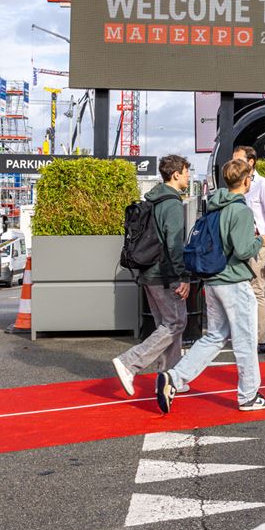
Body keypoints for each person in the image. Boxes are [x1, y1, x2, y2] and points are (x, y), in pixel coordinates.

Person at [157, 159, 265, 413]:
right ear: (246, 181)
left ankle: (174, 377)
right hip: (234, 281)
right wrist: (260, 241)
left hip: (212, 280)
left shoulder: (214, 207)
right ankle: (248, 396)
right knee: (245, 340)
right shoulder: (241, 211)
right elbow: (243, 250)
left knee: (214, 336)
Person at [112, 154, 192, 397]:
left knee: (166, 326)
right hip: (165, 274)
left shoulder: (154, 199)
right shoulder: (173, 204)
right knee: (176, 323)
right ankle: (129, 363)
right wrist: (183, 276)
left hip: (148, 271)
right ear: (176, 174)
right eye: (186, 172)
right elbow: (174, 244)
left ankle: (170, 378)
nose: (189, 176)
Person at [232, 146, 265, 353]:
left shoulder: (264, 185)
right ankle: (250, 333)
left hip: (259, 245)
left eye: (238, 159)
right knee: (242, 290)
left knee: (256, 290)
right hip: (240, 245)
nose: (234, 163)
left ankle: (260, 339)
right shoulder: (237, 185)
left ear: (251, 161)